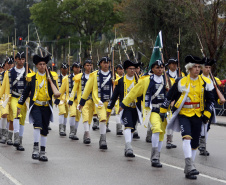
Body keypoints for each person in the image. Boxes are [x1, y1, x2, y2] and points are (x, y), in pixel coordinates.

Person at [160, 55, 215, 179]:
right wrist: (163, 110)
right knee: (187, 138)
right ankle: (190, 166)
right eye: (194, 67)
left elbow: (211, 101)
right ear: (189, 69)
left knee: (195, 143)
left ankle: (189, 169)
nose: (197, 69)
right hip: (183, 114)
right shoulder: (180, 81)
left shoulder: (205, 82)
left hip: (198, 115)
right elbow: (169, 96)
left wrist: (207, 114)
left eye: (198, 67)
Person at [120, 59, 167, 167]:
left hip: (164, 111)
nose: (160, 70)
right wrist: (123, 104)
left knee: (161, 134)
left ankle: (157, 156)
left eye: (161, 68)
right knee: (156, 129)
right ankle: (154, 158)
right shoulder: (146, 80)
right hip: (153, 110)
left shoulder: (167, 80)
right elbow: (134, 92)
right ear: (152, 69)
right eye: (157, 68)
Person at [17, 54, 58, 162]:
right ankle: (35, 149)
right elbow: (25, 92)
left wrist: (51, 83)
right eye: (40, 64)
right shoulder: (32, 78)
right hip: (36, 105)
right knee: (37, 125)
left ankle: (42, 152)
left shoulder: (50, 78)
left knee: (44, 129)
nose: (42, 66)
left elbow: (56, 92)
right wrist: (19, 105)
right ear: (36, 66)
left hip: (46, 106)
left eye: (44, 64)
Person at [107, 60, 141, 157]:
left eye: (134, 69)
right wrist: (109, 109)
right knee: (127, 126)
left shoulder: (138, 81)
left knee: (132, 129)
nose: (132, 70)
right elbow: (114, 96)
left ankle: (127, 148)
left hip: (135, 108)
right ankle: (129, 146)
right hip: (125, 108)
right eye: (130, 69)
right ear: (126, 69)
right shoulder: (120, 82)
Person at [78, 57, 113, 149]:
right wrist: (82, 102)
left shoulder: (113, 75)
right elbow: (87, 89)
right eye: (104, 63)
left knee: (105, 120)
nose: (106, 64)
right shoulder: (94, 75)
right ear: (100, 64)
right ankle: (103, 140)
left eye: (107, 63)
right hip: (99, 102)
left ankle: (102, 137)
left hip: (109, 102)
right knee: (102, 119)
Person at [199, 57, 224, 156]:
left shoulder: (214, 80)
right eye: (206, 67)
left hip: (210, 106)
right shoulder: (199, 78)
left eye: (209, 67)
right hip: (200, 106)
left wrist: (220, 101)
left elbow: (216, 95)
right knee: (200, 127)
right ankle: (199, 145)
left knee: (206, 127)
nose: (208, 69)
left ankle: (203, 146)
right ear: (202, 68)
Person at [69, 60, 94, 144]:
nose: (89, 67)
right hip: (82, 100)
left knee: (90, 118)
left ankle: (86, 133)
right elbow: (74, 88)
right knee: (85, 116)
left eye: (90, 65)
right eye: (87, 65)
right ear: (84, 66)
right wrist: (71, 99)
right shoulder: (79, 77)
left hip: (92, 100)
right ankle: (87, 134)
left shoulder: (94, 76)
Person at [55, 62, 81, 138]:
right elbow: (62, 90)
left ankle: (74, 132)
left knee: (78, 116)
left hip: (79, 100)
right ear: (73, 68)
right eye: (76, 67)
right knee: (72, 113)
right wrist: (57, 99)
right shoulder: (67, 78)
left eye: (79, 67)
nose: (77, 68)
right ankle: (71, 132)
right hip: (70, 99)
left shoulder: (82, 78)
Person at [165, 58, 185, 149]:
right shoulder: (164, 75)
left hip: (178, 101)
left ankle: (170, 140)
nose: (174, 65)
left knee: (172, 120)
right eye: (172, 63)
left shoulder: (181, 74)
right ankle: (168, 141)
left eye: (176, 63)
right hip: (167, 99)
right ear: (169, 65)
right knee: (168, 120)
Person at [0, 56, 15, 145]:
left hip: (14, 98)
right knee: (4, 114)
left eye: (11, 64)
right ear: (5, 64)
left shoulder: (16, 74)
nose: (9, 65)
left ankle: (10, 137)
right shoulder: (2, 75)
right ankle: (4, 135)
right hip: (5, 98)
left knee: (12, 119)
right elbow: (2, 87)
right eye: (8, 64)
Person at [114, 64, 124, 135]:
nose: (121, 70)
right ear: (117, 70)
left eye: (122, 69)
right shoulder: (114, 76)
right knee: (118, 112)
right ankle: (119, 128)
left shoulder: (125, 77)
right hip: (116, 97)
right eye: (119, 69)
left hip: (123, 97)